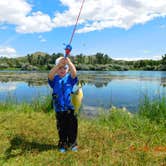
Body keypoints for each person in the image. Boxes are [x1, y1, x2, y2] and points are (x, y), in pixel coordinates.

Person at [48, 56, 78, 153]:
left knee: (72, 127)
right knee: (62, 128)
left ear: (67, 69)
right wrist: (58, 65)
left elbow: (74, 73)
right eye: (59, 68)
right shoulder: (54, 80)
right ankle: (63, 143)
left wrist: (68, 62)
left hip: (71, 109)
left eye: (64, 68)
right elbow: (50, 75)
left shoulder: (70, 78)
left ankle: (72, 143)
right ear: (56, 69)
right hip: (59, 109)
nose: (62, 70)